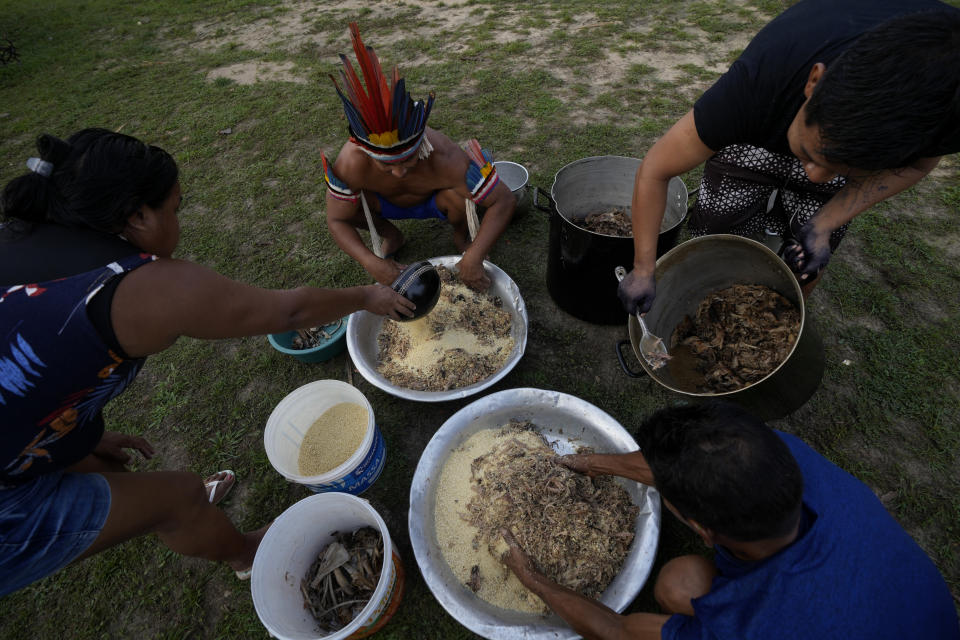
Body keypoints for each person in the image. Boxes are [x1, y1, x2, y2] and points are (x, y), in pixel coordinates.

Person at [0, 128, 415, 597]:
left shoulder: (24, 238)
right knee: (179, 497)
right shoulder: (145, 288)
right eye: (175, 208)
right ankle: (247, 554)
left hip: (14, 443)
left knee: (99, 460)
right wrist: (367, 296)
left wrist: (71, 433)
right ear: (137, 215)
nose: (179, 220)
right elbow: (290, 312)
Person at [501, 401, 960, 640]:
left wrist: (534, 579)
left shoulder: (752, 629)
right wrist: (593, 463)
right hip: (916, 616)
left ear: (701, 529)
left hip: (812, 619)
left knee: (673, 586)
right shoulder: (779, 454)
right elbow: (686, 463)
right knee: (682, 582)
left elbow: (618, 631)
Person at [618, 0, 960, 315]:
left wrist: (826, 223)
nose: (813, 176)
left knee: (810, 251)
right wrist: (645, 268)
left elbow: (919, 164)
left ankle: (786, 312)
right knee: (721, 214)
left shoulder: (947, 114)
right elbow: (655, 170)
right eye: (812, 155)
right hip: (777, 96)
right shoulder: (757, 85)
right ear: (814, 82)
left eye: (843, 169)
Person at [321, 23, 516, 291]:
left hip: (435, 201)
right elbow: (336, 219)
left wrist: (474, 255)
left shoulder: (444, 156)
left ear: (422, 147)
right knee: (348, 205)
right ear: (367, 154)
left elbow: (503, 200)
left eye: (409, 161)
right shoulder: (351, 163)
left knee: (462, 197)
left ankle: (461, 238)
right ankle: (392, 234)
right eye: (386, 165)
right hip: (383, 204)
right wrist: (369, 261)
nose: (400, 172)